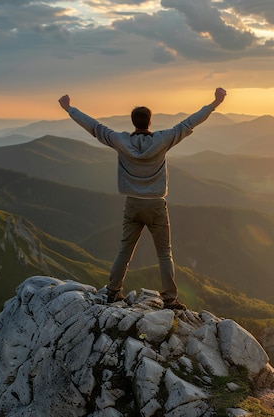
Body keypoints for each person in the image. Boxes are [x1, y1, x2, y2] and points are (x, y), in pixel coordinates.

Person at [58, 87, 227, 309]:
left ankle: (112, 292)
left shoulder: (121, 141)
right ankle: (169, 299)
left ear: (133, 122)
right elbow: (189, 123)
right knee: (165, 254)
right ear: (150, 121)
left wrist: (69, 108)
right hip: (156, 204)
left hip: (133, 204)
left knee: (124, 251)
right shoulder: (163, 139)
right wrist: (215, 103)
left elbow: (95, 127)